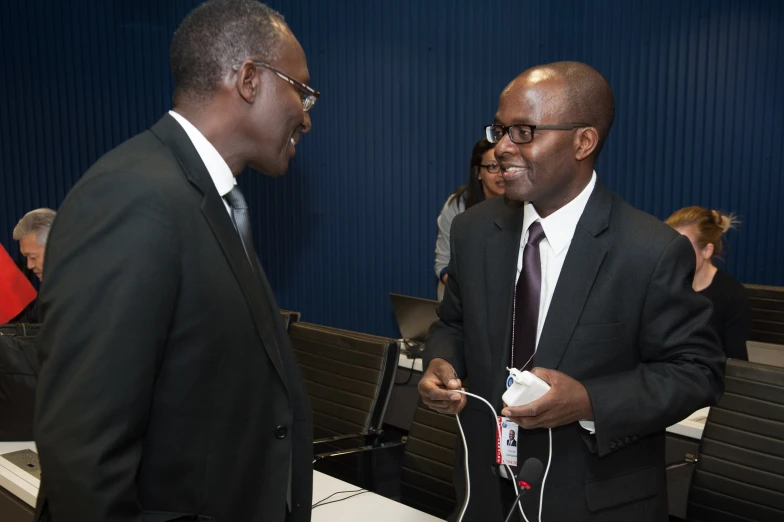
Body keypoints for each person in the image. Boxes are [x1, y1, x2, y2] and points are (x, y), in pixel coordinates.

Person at [34, 1, 317, 521]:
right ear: (250, 79)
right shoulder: (133, 197)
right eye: (301, 90)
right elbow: (84, 455)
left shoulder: (206, 198)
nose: (306, 113)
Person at [418, 61, 724, 522]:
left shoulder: (649, 249)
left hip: (592, 503)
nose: (501, 148)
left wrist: (587, 400)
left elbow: (697, 372)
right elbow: (453, 324)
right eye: (500, 130)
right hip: (484, 492)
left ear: (583, 141)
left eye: (523, 132)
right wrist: (440, 363)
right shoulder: (473, 231)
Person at [666, 206, 750, 360]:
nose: (673, 256)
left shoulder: (733, 296)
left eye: (682, 249)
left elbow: (736, 363)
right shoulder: (664, 287)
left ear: (707, 251)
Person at [435, 138, 504, 299]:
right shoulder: (458, 205)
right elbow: (443, 264)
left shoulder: (527, 206)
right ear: (478, 173)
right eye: (493, 166)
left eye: (506, 165)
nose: (501, 174)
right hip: (461, 297)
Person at [11, 208, 56, 323]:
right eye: (26, 257)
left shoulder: (79, 290)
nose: (29, 265)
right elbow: (30, 325)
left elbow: (48, 339)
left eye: (33, 257)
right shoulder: (49, 287)